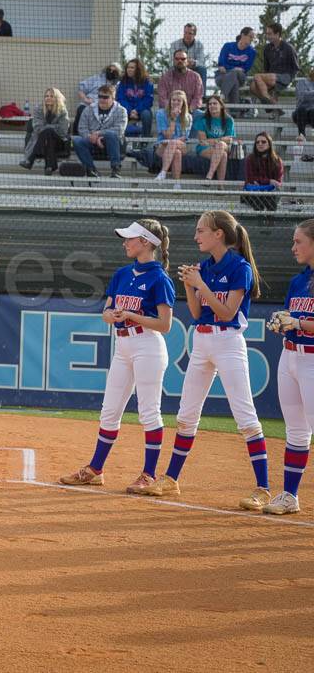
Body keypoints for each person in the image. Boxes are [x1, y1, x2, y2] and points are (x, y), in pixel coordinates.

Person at [144, 211, 270, 510]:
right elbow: (199, 313)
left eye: (202, 231)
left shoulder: (240, 267)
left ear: (219, 234)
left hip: (228, 342)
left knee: (245, 417)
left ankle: (263, 489)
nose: (196, 236)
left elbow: (227, 313)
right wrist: (191, 285)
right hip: (201, 340)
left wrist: (200, 283)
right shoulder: (206, 267)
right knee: (186, 414)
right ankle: (171, 478)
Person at [59, 220, 175, 493]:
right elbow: (106, 312)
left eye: (130, 239)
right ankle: (95, 469)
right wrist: (109, 316)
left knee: (149, 411)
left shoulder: (159, 278)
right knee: (109, 410)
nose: (125, 243)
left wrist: (131, 315)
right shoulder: (122, 273)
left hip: (147, 346)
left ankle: (148, 474)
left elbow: (165, 325)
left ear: (145, 242)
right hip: (122, 346)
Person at [261, 219, 314, 514]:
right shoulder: (298, 281)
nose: (293, 247)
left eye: (298, 242)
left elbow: (304, 322)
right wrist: (284, 323)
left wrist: (299, 322)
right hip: (290, 356)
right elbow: (294, 318)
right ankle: (289, 496)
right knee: (295, 431)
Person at [73, 85, 128, 178]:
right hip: (93, 143)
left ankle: (116, 169)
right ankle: (91, 170)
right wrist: (90, 136)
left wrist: (99, 134)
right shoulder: (88, 109)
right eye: (100, 97)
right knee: (77, 140)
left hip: (114, 145)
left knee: (111, 134)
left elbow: (119, 130)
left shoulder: (121, 111)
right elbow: (82, 128)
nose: (102, 99)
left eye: (105, 97)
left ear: (113, 97)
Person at [249, 23, 301, 116]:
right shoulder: (267, 49)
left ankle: (269, 102)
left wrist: (289, 80)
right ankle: (274, 106)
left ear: (277, 34)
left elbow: (296, 68)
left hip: (285, 77)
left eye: (270, 34)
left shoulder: (288, 48)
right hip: (271, 77)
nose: (267, 36)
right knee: (253, 86)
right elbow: (266, 68)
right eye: (267, 33)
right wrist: (264, 80)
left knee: (257, 76)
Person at [18, 88, 71, 174]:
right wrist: (52, 128)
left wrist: (48, 127)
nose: (48, 98)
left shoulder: (62, 111)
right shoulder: (38, 109)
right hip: (41, 142)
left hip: (59, 142)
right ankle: (49, 166)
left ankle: (30, 160)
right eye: (46, 96)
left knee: (48, 131)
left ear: (56, 98)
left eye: (51, 96)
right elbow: (37, 128)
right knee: (48, 133)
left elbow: (63, 130)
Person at [193, 95, 237, 182]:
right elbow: (203, 141)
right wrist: (220, 140)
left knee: (221, 146)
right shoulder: (202, 119)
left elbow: (229, 139)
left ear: (221, 106)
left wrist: (216, 141)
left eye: (215, 103)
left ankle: (210, 174)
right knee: (223, 155)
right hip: (205, 148)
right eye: (210, 104)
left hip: (224, 146)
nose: (212, 106)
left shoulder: (229, 120)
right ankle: (221, 186)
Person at [153, 90, 193, 184]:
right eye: (173, 100)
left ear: (183, 103)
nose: (175, 102)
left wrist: (171, 141)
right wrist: (173, 119)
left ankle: (163, 173)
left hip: (181, 145)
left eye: (179, 101)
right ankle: (177, 184)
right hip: (162, 146)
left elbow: (184, 138)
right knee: (177, 153)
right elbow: (167, 135)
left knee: (174, 144)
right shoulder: (161, 113)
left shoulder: (188, 117)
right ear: (170, 101)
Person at [215, 27, 257, 107]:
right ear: (243, 35)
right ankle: (234, 110)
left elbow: (246, 68)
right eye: (250, 37)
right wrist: (234, 69)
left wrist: (229, 68)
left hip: (241, 76)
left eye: (253, 37)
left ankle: (222, 97)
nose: (252, 39)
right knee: (234, 81)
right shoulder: (227, 46)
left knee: (235, 73)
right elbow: (221, 63)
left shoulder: (252, 52)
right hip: (222, 76)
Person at [243, 132, 284, 211]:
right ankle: (259, 222)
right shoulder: (250, 159)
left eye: (263, 142)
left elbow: (277, 182)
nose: (260, 144)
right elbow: (250, 179)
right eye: (257, 142)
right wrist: (269, 181)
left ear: (269, 144)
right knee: (258, 198)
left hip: (270, 192)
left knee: (270, 199)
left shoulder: (277, 160)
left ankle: (270, 222)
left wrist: (259, 181)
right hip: (253, 192)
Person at [75, 63, 122, 132]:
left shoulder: (118, 84)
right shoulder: (96, 79)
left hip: (107, 107)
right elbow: (81, 88)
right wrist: (85, 99)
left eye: (114, 71)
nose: (111, 72)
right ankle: (76, 136)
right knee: (81, 109)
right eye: (110, 69)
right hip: (89, 104)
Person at [156, 49, 203, 115]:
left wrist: (188, 110)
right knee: (160, 113)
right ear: (173, 61)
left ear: (187, 61)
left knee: (199, 113)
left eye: (183, 59)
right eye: (177, 59)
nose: (180, 61)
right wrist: (173, 110)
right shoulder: (165, 77)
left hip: (189, 112)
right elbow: (162, 98)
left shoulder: (196, 77)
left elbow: (198, 98)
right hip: (170, 111)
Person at [117, 58, 155, 137]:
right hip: (127, 109)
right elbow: (120, 99)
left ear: (138, 70)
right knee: (119, 113)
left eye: (132, 68)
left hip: (142, 110)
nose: (129, 70)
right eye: (128, 67)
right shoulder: (123, 82)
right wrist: (130, 110)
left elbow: (148, 100)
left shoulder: (147, 82)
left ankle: (145, 140)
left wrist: (137, 110)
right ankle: (121, 139)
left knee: (146, 114)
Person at [170, 23, 208, 88]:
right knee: (171, 69)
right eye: (185, 32)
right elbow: (171, 60)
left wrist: (194, 62)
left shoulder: (199, 45)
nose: (187, 35)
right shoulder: (175, 44)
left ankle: (201, 96)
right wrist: (182, 63)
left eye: (190, 33)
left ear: (194, 34)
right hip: (179, 66)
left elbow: (201, 61)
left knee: (202, 69)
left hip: (193, 68)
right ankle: (173, 93)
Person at [293, 68, 314, 141]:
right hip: (300, 114)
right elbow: (302, 96)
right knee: (302, 108)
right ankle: (301, 135)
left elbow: (306, 95)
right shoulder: (301, 82)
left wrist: (309, 93)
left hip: (311, 115)